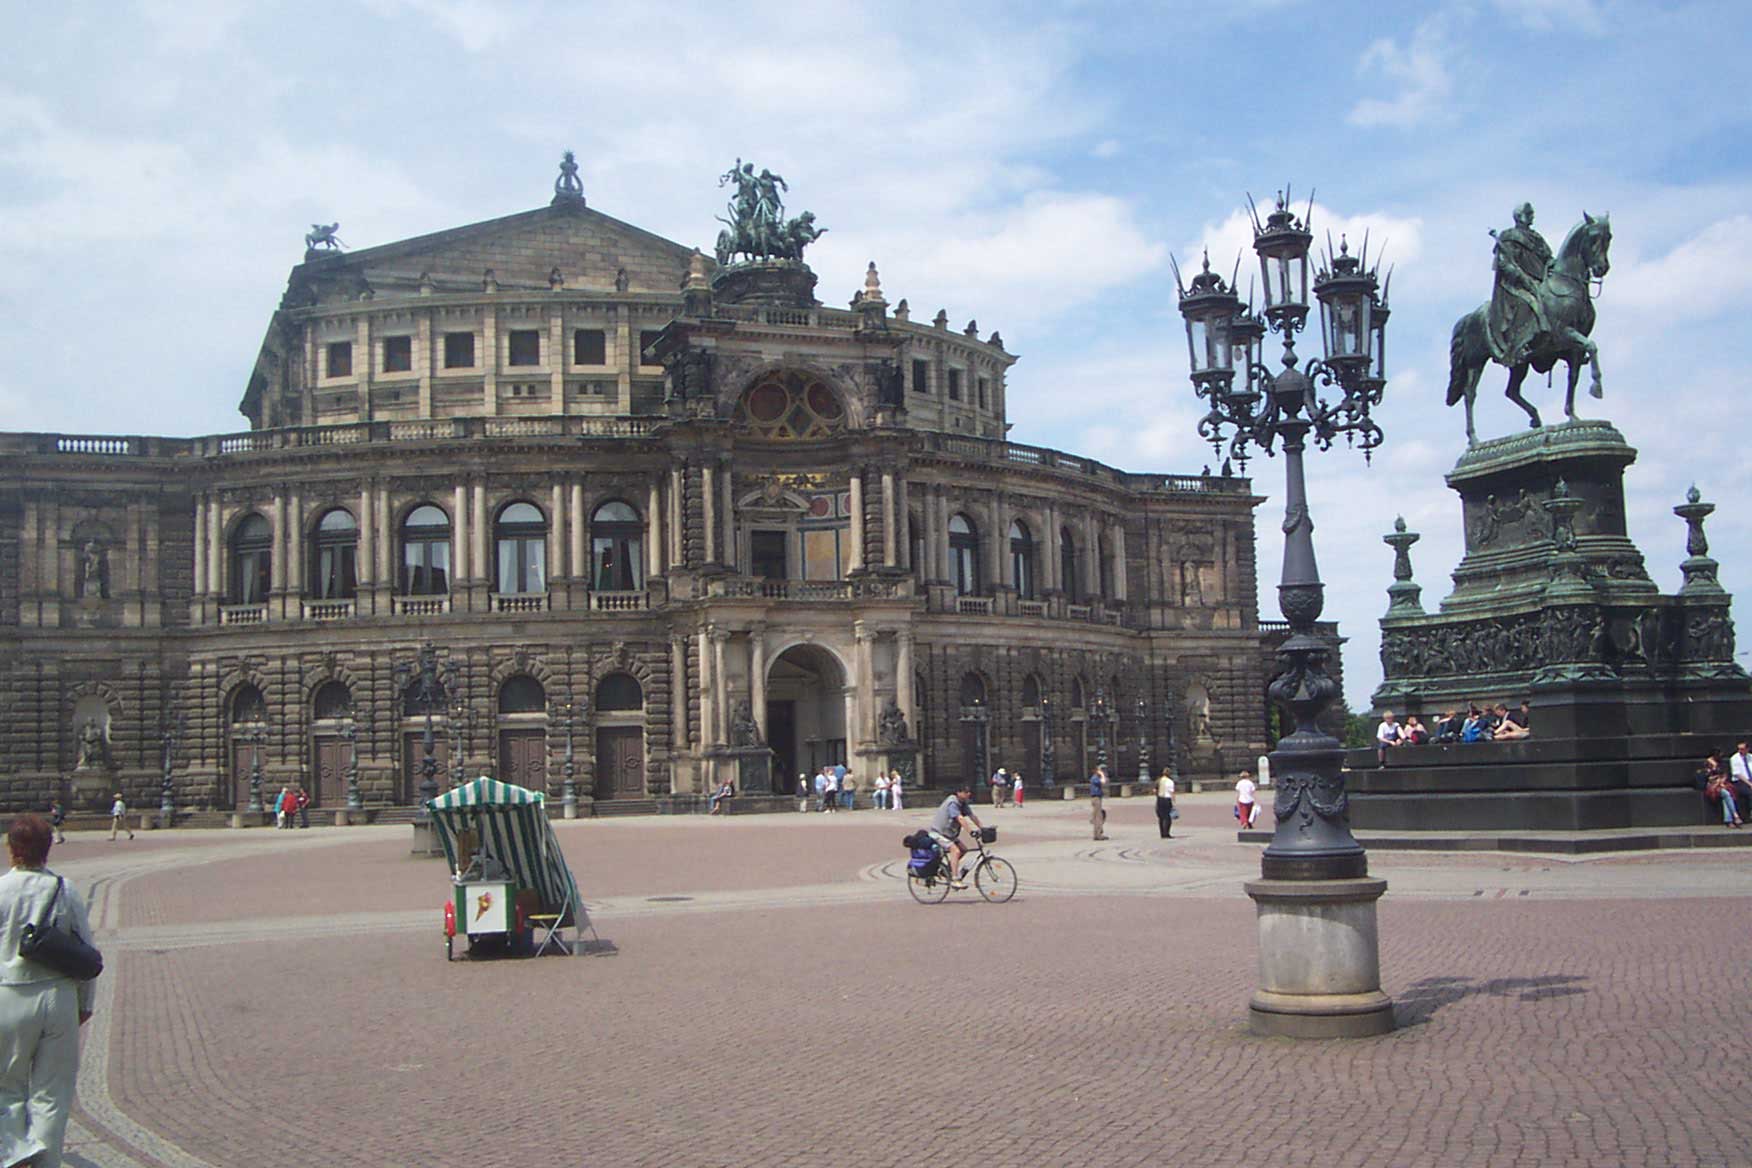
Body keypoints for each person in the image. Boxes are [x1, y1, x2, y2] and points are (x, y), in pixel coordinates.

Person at [0, 814, 96, 1168]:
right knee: (52, 1092)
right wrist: (85, 1004)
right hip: (58, 996)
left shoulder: (0, 889)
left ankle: (15, 1153)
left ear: (11, 850)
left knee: (6, 1086)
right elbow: (86, 950)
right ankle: (46, 1161)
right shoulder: (64, 889)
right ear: (47, 850)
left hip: (8, 995)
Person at [927, 783, 984, 890]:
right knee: (955, 851)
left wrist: (983, 828)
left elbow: (972, 816)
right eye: (966, 792)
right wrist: (971, 831)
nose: (968, 794)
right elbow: (960, 818)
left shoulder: (963, 803)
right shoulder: (952, 803)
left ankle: (945, 871)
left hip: (948, 835)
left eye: (969, 792)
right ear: (959, 793)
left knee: (963, 849)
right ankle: (955, 879)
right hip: (938, 833)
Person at [1088, 765, 1109, 841]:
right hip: (1096, 798)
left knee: (1098, 816)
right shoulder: (1095, 778)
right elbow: (1103, 782)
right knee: (1098, 817)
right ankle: (1098, 834)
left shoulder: (1096, 778)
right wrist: (1102, 775)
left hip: (1098, 798)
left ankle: (1097, 834)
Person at [1155, 767, 1176, 839]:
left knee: (1161, 817)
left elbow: (1155, 790)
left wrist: (1157, 796)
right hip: (1167, 799)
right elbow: (1172, 792)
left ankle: (1162, 833)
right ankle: (1166, 833)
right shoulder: (1170, 781)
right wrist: (1174, 801)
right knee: (1167, 817)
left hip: (1160, 799)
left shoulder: (1158, 780)